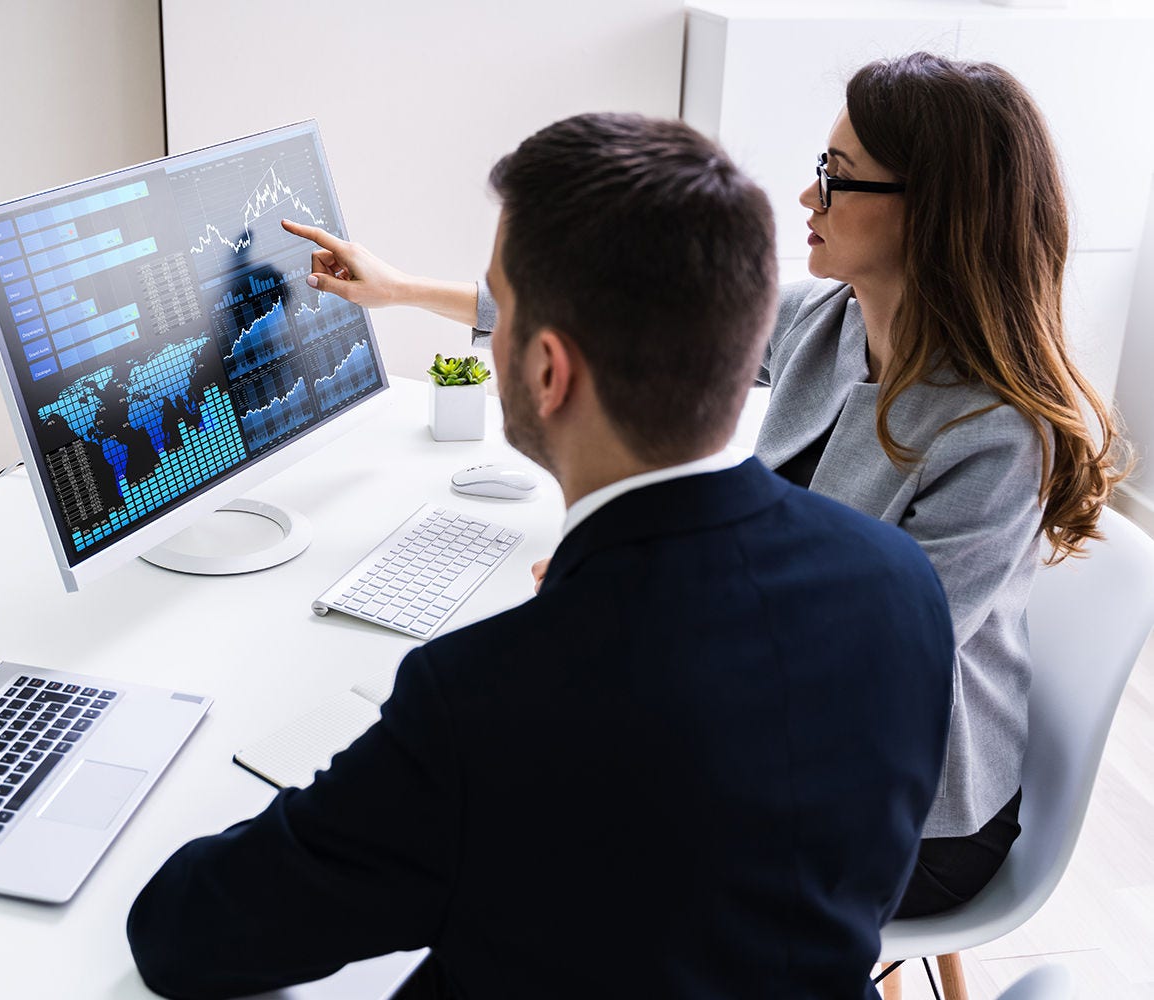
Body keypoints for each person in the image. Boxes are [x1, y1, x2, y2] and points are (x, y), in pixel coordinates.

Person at [126, 113, 956, 999]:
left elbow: (185, 934)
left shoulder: (486, 702)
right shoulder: (900, 585)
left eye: (501, 307)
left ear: (549, 372)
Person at [284, 51, 1126, 919]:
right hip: (778, 728)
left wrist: (648, 602)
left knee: (558, 828)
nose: (808, 197)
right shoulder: (826, 321)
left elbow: (871, 661)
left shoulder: (996, 434)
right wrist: (399, 291)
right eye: (820, 167)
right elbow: (624, 317)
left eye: (837, 178)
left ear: (936, 212)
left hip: (902, 810)